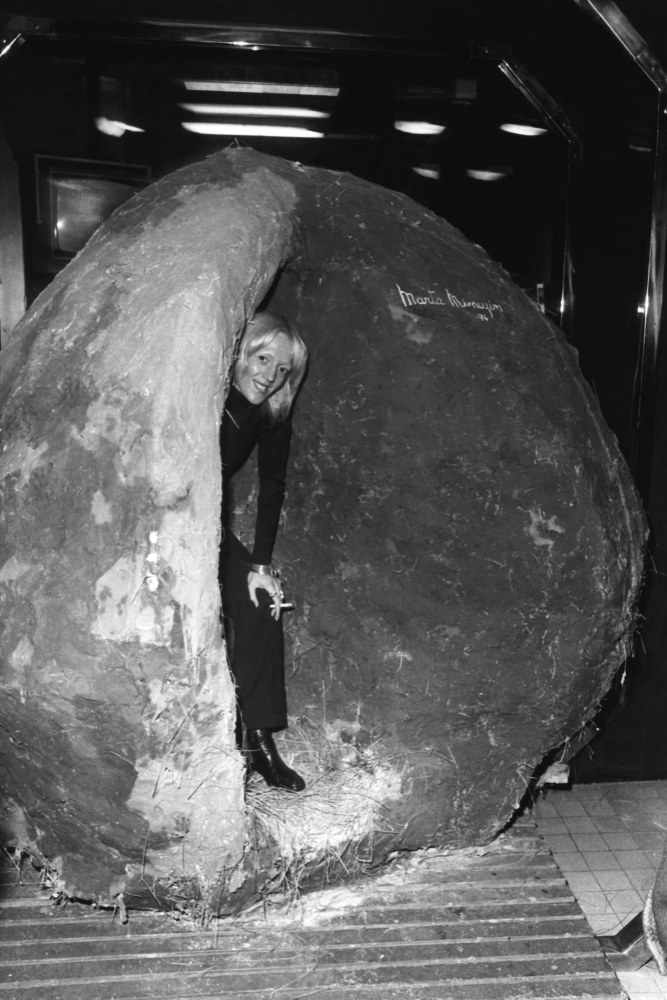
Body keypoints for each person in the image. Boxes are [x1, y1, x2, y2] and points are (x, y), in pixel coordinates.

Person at [220, 312, 308, 792]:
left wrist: (260, 566)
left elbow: (273, 486)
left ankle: (257, 742)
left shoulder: (271, 413)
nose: (270, 376)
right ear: (240, 351)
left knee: (260, 605)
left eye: (282, 369)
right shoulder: (209, 395)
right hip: (155, 517)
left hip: (203, 525)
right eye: (262, 358)